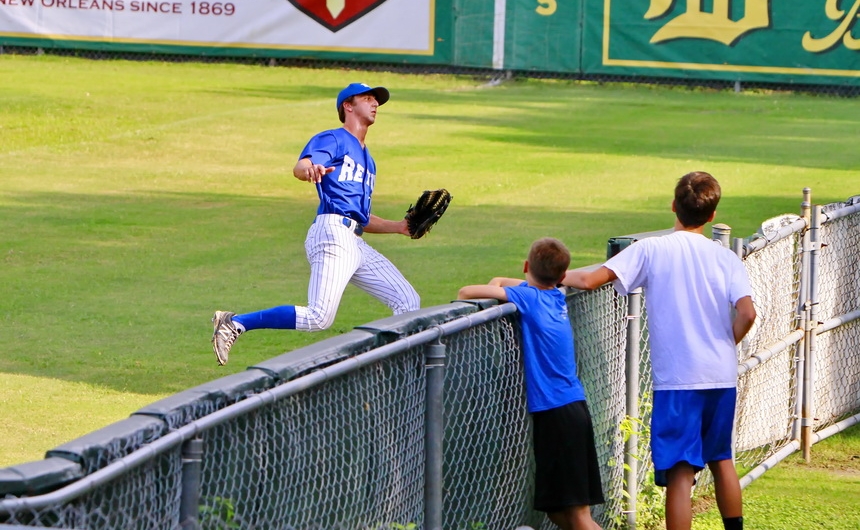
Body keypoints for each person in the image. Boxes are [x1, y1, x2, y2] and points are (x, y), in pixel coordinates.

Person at [561, 171, 756, 530]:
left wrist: (552, 276)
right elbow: (747, 313)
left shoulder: (652, 249)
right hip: (720, 375)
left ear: (673, 206)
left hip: (679, 380)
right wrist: (725, 345)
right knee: (721, 458)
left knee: (681, 474)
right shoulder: (725, 257)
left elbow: (589, 280)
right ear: (712, 215)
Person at [210, 82, 420, 366]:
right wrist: (310, 169)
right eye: (367, 98)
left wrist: (400, 227)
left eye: (376, 100)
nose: (374, 104)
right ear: (348, 105)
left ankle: (390, 368)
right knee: (319, 316)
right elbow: (301, 166)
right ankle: (234, 323)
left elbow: (361, 216)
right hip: (332, 233)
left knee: (408, 301)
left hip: (355, 242)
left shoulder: (368, 160)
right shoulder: (334, 139)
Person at [457, 237, 604, 530]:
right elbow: (505, 281)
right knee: (556, 512)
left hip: (557, 414)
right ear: (562, 277)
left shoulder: (529, 298)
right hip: (573, 410)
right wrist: (509, 284)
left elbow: (466, 291)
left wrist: (505, 287)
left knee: (577, 516)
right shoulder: (555, 294)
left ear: (527, 266)